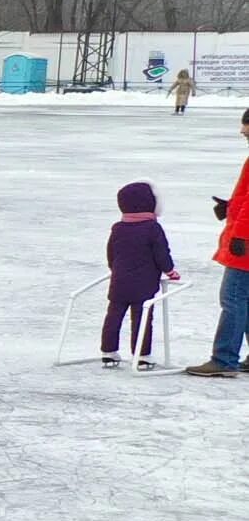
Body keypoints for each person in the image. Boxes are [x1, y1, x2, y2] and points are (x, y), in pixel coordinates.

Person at [184, 110, 249, 378]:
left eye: (246, 128)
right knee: (245, 299)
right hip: (242, 236)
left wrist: (241, 236)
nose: (242, 132)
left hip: (244, 245)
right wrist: (230, 206)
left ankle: (224, 359)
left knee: (233, 298)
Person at [101, 182, 181, 368]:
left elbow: (111, 253)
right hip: (143, 284)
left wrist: (115, 270)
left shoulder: (118, 228)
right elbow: (161, 253)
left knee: (114, 316)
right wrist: (170, 271)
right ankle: (142, 355)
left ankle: (108, 351)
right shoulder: (152, 228)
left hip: (119, 281)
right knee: (142, 318)